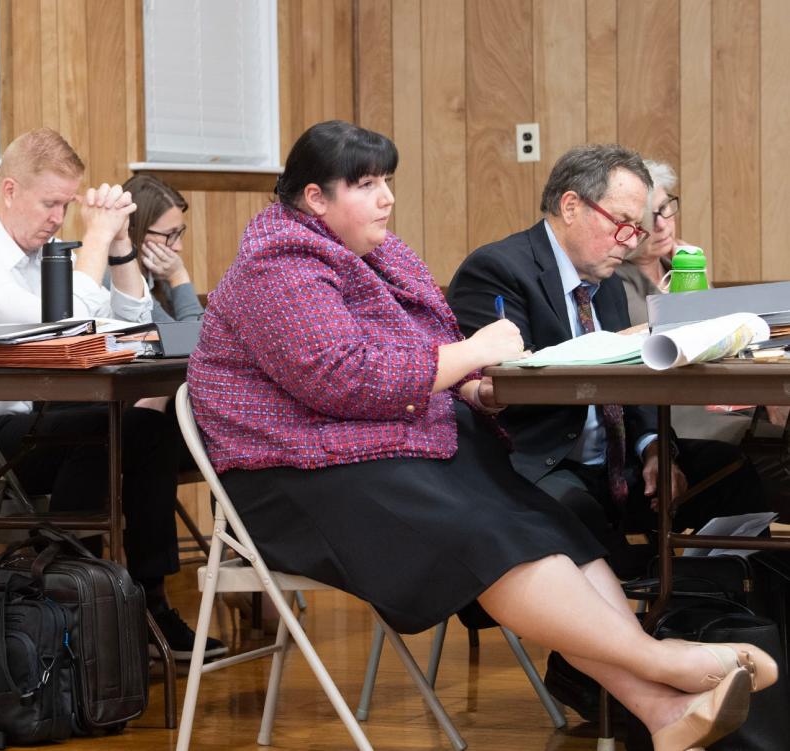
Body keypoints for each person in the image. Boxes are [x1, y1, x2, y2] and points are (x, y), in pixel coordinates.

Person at [188, 120, 775, 751]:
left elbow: (411, 358)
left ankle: (662, 714)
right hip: (296, 475)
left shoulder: (378, 260)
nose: (386, 197)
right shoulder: (276, 268)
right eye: (365, 184)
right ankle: (663, 663)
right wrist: (472, 353)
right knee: (489, 534)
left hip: (377, 449)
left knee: (535, 517)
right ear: (315, 199)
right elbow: (341, 377)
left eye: (387, 180)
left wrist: (468, 380)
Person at [0, 128, 224, 661]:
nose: (58, 217)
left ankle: (139, 604)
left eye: (66, 205)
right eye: (50, 203)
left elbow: (131, 326)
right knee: (112, 431)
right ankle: (76, 608)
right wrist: (94, 241)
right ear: (9, 191)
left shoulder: (45, 255)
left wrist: (118, 249)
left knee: (141, 429)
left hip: (24, 433)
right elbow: (60, 337)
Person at [447, 144, 767, 574]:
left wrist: (656, 448)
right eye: (623, 224)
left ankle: (734, 616)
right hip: (543, 461)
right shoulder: (497, 269)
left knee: (732, 476)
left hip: (616, 463)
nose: (631, 241)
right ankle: (652, 617)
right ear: (572, 205)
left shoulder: (609, 284)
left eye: (638, 228)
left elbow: (633, 385)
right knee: (582, 517)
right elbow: (502, 381)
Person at [122, 174, 204, 322]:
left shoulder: (156, 276)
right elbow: (190, 340)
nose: (179, 246)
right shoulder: (117, 279)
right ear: (135, 232)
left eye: (179, 233)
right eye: (170, 234)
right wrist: (178, 276)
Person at [615, 159, 681, 325]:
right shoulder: (615, 277)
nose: (661, 225)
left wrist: (695, 272)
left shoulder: (676, 262)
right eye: (649, 218)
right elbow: (656, 332)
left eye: (664, 207)